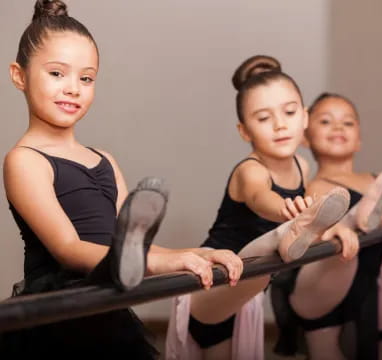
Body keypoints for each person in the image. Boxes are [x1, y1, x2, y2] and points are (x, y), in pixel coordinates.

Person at [0, 1, 242, 358]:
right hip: (59, 313)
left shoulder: (104, 160)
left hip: (106, 307)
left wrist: (192, 253)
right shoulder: (24, 161)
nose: (73, 88)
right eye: (56, 73)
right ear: (19, 75)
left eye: (86, 78)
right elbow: (69, 249)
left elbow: (128, 246)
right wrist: (157, 263)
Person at [166, 56, 361, 360]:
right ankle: (284, 236)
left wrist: (336, 227)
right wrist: (292, 212)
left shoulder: (302, 164)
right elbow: (261, 199)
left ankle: (291, 235)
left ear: (305, 117)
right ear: (244, 131)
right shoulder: (250, 171)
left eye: (289, 112)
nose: (280, 125)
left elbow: (311, 209)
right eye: (263, 118)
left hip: (247, 295)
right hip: (214, 285)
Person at [277, 92, 382, 360]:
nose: (338, 127)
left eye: (348, 123)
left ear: (359, 139)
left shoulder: (377, 180)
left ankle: (366, 216)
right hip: (320, 288)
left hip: (370, 286)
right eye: (326, 121)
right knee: (324, 345)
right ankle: (359, 216)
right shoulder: (312, 186)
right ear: (305, 137)